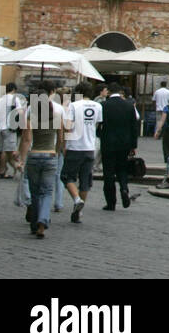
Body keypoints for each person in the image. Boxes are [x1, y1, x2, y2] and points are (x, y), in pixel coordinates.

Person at [17, 82, 65, 238]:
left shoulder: (32, 117)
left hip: (34, 155)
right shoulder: (56, 117)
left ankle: (34, 223)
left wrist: (21, 159)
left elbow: (26, 139)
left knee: (35, 192)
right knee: (46, 192)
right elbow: (61, 138)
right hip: (50, 156)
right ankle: (43, 221)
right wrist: (56, 152)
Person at [60, 81, 102, 224]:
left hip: (74, 146)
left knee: (67, 176)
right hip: (90, 147)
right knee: (85, 181)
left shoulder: (73, 106)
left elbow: (67, 126)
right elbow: (96, 124)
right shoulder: (98, 106)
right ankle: (78, 212)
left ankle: (77, 199)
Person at [100, 82, 138, 211]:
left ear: (109, 92)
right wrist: (134, 145)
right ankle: (124, 188)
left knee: (108, 173)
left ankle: (111, 202)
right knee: (122, 169)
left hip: (108, 143)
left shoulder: (104, 105)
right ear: (120, 92)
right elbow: (134, 127)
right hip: (125, 143)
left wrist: (100, 135)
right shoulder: (129, 105)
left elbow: (99, 125)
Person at [0, 82, 23, 178]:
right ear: (14, 90)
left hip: (0, 128)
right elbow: (20, 111)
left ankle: (2, 169)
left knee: (3, 149)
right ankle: (2, 170)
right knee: (6, 151)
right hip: (9, 128)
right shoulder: (15, 99)